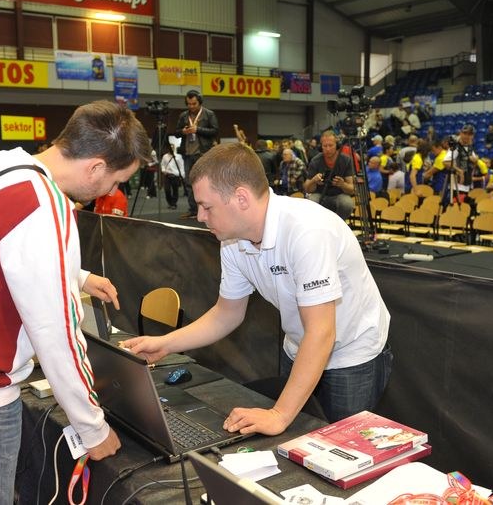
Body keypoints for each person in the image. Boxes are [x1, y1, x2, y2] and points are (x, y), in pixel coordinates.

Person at [0, 101, 151, 504]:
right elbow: (57, 332)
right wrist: (92, 428)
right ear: (95, 167)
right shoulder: (43, 203)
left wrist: (80, 275)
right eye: (114, 181)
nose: (110, 192)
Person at [122, 143, 391, 432]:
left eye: (206, 206)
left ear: (241, 198)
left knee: (342, 450)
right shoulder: (232, 240)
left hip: (352, 353)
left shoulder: (308, 231)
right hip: (301, 347)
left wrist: (278, 415)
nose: (200, 216)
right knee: (299, 439)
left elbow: (322, 332)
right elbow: (227, 313)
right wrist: (164, 345)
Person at [176, 90, 219, 219]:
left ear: (199, 102)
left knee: (205, 182)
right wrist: (183, 131)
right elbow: (176, 132)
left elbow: (215, 131)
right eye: (189, 104)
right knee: (189, 182)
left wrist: (198, 129)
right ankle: (193, 209)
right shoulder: (183, 116)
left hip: (203, 153)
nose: (191, 106)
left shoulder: (209, 114)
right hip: (188, 152)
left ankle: (208, 208)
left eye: (194, 103)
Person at [303, 130, 355, 220]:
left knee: (347, 203)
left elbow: (352, 189)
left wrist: (342, 184)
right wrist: (314, 181)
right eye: (325, 146)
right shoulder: (315, 161)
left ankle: (338, 223)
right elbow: (307, 188)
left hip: (339, 195)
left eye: (331, 145)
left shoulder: (346, 160)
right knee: (311, 201)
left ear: (337, 146)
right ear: (320, 147)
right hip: (320, 194)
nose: (328, 149)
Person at [161, 144, 184, 210]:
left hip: (175, 175)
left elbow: (181, 166)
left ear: (174, 148)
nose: (171, 149)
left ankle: (173, 203)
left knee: (175, 190)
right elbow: (162, 164)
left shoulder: (178, 156)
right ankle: (170, 202)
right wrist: (163, 170)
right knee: (167, 190)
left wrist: (182, 176)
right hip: (167, 175)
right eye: (170, 147)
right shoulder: (165, 156)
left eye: (172, 147)